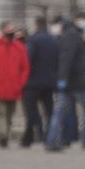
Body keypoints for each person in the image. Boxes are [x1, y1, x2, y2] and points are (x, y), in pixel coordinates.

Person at [46, 15, 85, 152]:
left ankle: (52, 141)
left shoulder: (68, 36)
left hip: (69, 81)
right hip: (76, 82)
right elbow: (66, 58)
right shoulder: (71, 36)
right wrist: (62, 78)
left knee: (59, 112)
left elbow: (81, 50)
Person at [0, 22, 29, 149]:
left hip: (14, 88)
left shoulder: (19, 47)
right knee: (0, 114)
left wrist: (20, 83)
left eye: (12, 28)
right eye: (9, 28)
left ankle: (5, 135)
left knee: (9, 115)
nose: (11, 30)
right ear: (2, 30)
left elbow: (25, 68)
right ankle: (3, 137)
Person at [21, 14, 57, 148]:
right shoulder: (53, 40)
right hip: (49, 82)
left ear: (36, 25)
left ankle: (30, 137)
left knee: (31, 111)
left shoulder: (33, 40)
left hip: (33, 82)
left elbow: (28, 60)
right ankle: (50, 136)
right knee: (49, 111)